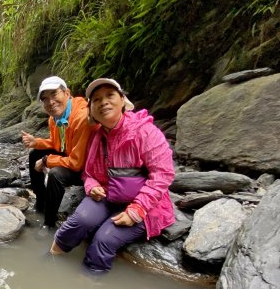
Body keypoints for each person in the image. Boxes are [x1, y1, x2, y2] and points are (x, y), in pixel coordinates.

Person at [50, 78, 175, 273]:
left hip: (144, 204)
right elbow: (88, 172)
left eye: (110, 95)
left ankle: (90, 281)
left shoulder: (145, 132)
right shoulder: (97, 135)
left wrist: (136, 211)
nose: (103, 102)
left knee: (103, 239)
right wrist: (91, 186)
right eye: (97, 99)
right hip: (107, 195)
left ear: (123, 100)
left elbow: (163, 175)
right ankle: (50, 259)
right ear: (91, 108)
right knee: (78, 222)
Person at [21, 76, 91, 228]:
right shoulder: (54, 118)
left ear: (67, 93)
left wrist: (47, 160)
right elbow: (58, 145)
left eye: (54, 94)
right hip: (74, 158)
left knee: (56, 174)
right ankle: (41, 201)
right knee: (34, 154)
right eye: (45, 98)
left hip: (88, 168)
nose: (50, 102)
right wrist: (36, 142)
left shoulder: (81, 117)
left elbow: (77, 163)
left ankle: (49, 223)